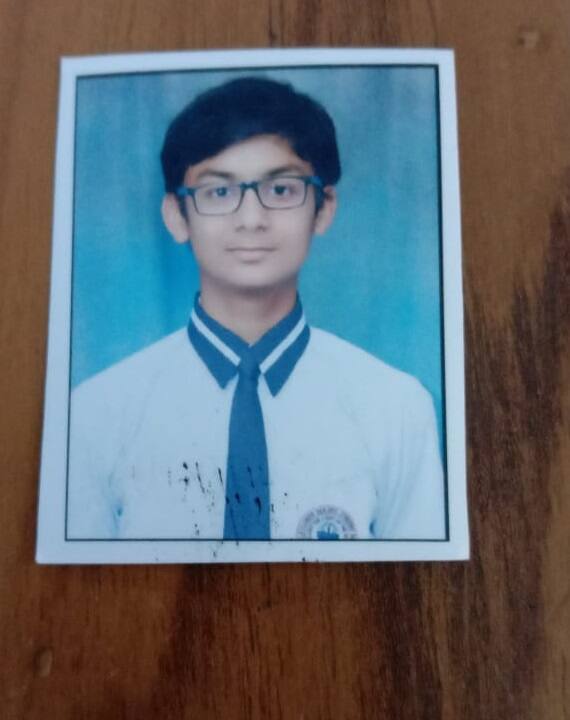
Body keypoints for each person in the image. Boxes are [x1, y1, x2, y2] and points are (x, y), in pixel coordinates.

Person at [68, 76, 445, 541]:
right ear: (176, 216)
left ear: (324, 207)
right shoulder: (95, 414)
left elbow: (418, 577)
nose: (251, 220)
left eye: (282, 190)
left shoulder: (396, 407)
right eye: (218, 192)